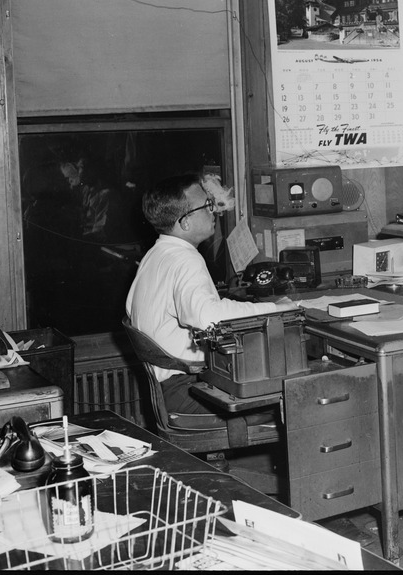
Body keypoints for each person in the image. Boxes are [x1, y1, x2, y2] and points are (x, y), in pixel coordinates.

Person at [125, 173, 296, 414]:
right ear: (184, 223)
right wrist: (277, 309)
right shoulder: (185, 259)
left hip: (165, 390)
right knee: (299, 397)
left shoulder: (155, 255)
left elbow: (132, 307)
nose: (214, 210)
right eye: (206, 205)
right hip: (186, 390)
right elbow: (207, 318)